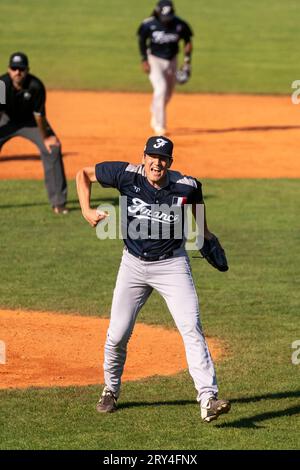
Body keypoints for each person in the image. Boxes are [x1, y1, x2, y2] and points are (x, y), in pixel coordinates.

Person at [76, 135, 231, 423]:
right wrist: (85, 210)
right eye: (152, 157)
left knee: (191, 329)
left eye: (162, 159)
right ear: (143, 157)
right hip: (132, 266)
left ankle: (208, 398)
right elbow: (82, 174)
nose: (156, 163)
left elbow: (196, 204)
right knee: (118, 334)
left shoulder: (187, 184)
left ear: (169, 162)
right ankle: (110, 389)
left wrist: (206, 235)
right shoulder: (125, 174)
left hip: (173, 266)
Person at [0, 52, 68, 214]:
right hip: (6, 120)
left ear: (27, 70)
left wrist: (46, 137)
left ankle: (58, 202)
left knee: (52, 148)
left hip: (31, 122)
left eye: (21, 69)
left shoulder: (35, 86)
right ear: (9, 70)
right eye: (14, 68)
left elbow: (39, 115)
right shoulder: (2, 85)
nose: (18, 72)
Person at [137, 0, 193, 135]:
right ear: (157, 13)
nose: (167, 21)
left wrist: (187, 62)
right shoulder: (148, 24)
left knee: (168, 94)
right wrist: (144, 59)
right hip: (154, 59)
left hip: (172, 60)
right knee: (160, 89)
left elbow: (188, 42)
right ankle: (159, 127)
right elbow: (141, 40)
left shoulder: (180, 24)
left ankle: (155, 109)